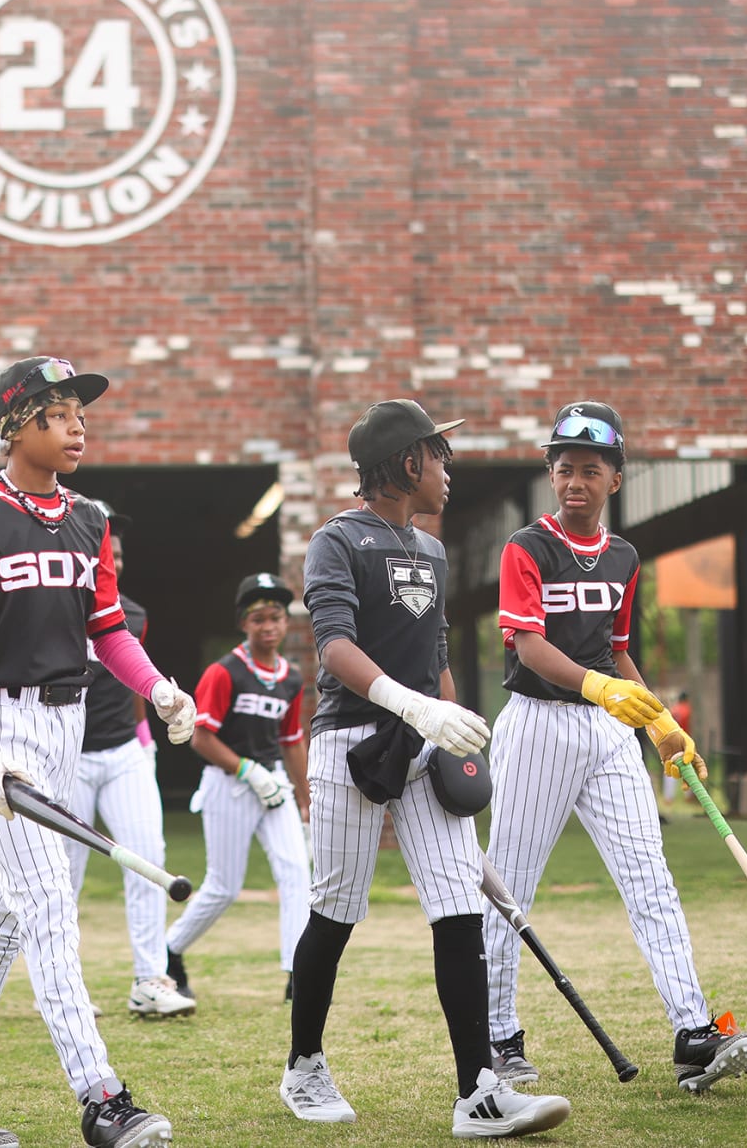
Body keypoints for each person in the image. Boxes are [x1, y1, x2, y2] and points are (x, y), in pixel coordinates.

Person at [0, 356, 198, 1148]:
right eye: (62, 413)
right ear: (17, 422)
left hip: (64, 727)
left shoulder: (89, 520)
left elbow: (106, 630)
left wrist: (159, 689)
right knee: (47, 908)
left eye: (80, 413)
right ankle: (102, 1097)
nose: (79, 427)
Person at [283, 399, 570, 1138]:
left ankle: (477, 1090)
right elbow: (335, 649)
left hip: (422, 748)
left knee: (458, 905)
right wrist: (415, 710)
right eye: (441, 456)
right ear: (409, 462)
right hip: (352, 742)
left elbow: (437, 656)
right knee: (338, 907)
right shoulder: (335, 542)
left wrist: (450, 736)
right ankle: (304, 1064)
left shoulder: (435, 551)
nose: (450, 471)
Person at [480, 402, 747, 1094]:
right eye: (564, 468)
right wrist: (601, 688)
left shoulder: (627, 556)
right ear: (551, 474)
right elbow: (529, 645)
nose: (576, 480)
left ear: (616, 478)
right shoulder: (526, 545)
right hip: (539, 721)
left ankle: (693, 1032)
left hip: (605, 729)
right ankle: (498, 1034)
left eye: (590, 469)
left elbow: (619, 650)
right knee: (507, 888)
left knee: (650, 877)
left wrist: (660, 721)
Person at [63, 499, 191, 1020]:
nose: (109, 556)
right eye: (101, 548)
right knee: (62, 876)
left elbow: (130, 682)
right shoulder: (51, 611)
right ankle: (65, 985)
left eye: (115, 551)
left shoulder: (132, 614)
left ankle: (149, 979)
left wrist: (146, 737)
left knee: (147, 858)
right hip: (66, 754)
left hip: (125, 751)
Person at [165, 572, 311, 1006]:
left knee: (296, 874)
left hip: (274, 786)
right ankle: (170, 950)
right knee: (224, 886)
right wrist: (248, 770)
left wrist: (304, 798)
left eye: (277, 618)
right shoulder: (224, 672)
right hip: (229, 783)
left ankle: (297, 974)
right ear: (244, 624)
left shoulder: (290, 677)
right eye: (260, 618)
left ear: (286, 623)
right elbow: (201, 737)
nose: (269, 627)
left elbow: (290, 740)